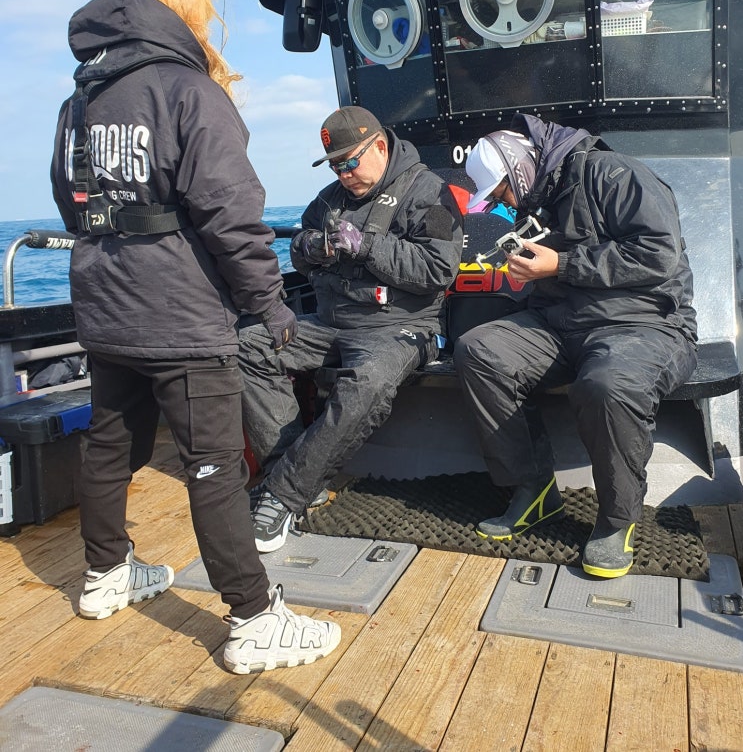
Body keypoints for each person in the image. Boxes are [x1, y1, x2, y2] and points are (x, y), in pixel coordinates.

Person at [50, 0, 340, 674]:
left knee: (108, 446)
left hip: (104, 303)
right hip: (179, 314)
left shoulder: (78, 101)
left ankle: (105, 574)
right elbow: (230, 216)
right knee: (214, 467)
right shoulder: (190, 91)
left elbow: (69, 200)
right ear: (187, 16)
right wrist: (270, 305)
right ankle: (253, 618)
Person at [453, 114, 698, 578]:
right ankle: (533, 490)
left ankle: (616, 520)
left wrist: (561, 265)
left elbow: (658, 254)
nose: (502, 202)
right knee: (480, 351)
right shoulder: (538, 199)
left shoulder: (615, 173)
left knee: (608, 384)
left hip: (645, 324)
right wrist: (531, 271)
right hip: (561, 322)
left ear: (520, 169)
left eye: (502, 191)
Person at [239, 106, 463, 551]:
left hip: (399, 326)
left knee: (368, 381)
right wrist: (308, 246)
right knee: (248, 344)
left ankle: (282, 496)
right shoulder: (329, 199)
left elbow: (439, 269)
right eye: (335, 166)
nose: (343, 174)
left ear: (379, 146)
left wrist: (367, 247)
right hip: (331, 323)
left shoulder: (431, 193)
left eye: (350, 162)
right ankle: (291, 474)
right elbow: (299, 247)